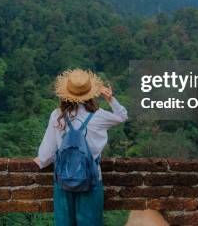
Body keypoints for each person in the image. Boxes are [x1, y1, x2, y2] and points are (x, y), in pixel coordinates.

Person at [34, 69, 128, 226]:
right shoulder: (99, 116)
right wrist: (110, 99)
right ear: (90, 94)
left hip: (63, 179)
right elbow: (122, 116)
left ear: (65, 94)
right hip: (91, 179)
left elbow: (47, 152)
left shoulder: (57, 115)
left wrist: (41, 161)